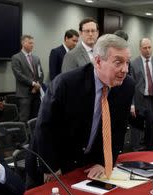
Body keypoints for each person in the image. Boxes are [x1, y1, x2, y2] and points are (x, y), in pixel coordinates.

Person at [26, 34, 134, 186]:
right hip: (52, 162)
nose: (125, 69)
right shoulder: (66, 84)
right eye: (118, 63)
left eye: (127, 62)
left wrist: (104, 162)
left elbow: (117, 129)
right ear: (97, 61)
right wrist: (51, 168)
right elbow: (45, 128)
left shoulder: (126, 86)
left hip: (85, 164)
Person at [130, 38, 153, 151]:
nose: (147, 50)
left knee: (152, 127)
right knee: (136, 128)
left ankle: (150, 151)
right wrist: (132, 104)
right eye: (145, 48)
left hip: (152, 101)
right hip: (138, 100)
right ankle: (135, 151)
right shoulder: (133, 63)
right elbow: (130, 86)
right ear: (140, 49)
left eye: (149, 47)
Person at [11, 34, 44, 121]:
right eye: (30, 43)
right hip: (24, 94)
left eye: (33, 43)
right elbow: (19, 75)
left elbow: (41, 74)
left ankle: (34, 135)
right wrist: (33, 84)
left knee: (36, 118)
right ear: (23, 43)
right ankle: (23, 135)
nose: (32, 45)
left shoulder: (36, 58)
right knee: (24, 119)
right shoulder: (16, 58)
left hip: (36, 93)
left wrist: (37, 86)